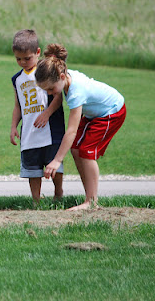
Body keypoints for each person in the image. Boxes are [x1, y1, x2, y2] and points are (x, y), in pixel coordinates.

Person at [35, 43, 126, 211]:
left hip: (111, 112)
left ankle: (91, 201)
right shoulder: (64, 77)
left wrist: (57, 160)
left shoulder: (76, 92)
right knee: (76, 149)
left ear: (62, 77)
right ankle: (89, 196)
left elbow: (71, 131)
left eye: (50, 89)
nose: (49, 93)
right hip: (94, 114)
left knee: (87, 151)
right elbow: (58, 96)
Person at [10, 29, 65, 206]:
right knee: (32, 169)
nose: (23, 62)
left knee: (54, 164)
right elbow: (18, 105)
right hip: (29, 132)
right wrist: (13, 127)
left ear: (38, 52)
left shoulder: (46, 71)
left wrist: (46, 114)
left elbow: (58, 96)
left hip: (51, 130)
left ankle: (58, 193)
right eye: (18, 59)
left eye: (27, 58)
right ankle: (36, 201)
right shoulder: (17, 79)